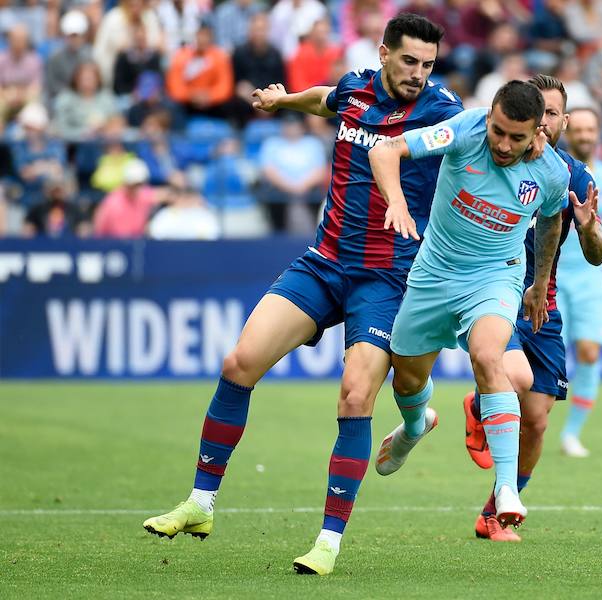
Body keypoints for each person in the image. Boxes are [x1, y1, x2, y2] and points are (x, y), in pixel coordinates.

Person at [141, 14, 464, 577]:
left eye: (427, 64)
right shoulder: (356, 85)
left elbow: (480, 139)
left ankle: (328, 542)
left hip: (387, 277)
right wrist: (284, 99)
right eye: (409, 61)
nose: (418, 73)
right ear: (385, 52)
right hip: (325, 261)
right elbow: (326, 101)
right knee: (239, 362)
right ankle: (201, 503)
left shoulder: (441, 110)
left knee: (355, 397)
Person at [368, 80, 569, 536]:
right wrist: (397, 204)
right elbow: (385, 151)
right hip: (434, 274)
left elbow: (553, 218)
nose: (503, 144)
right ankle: (415, 426)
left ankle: (505, 489)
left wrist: (538, 283)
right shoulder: (466, 129)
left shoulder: (551, 172)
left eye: (516, 138)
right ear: (490, 117)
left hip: (495, 277)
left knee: (488, 355)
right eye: (498, 131)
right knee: (407, 378)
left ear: (537, 131)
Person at [461, 75, 602, 542]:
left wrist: (587, 229)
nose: (542, 121)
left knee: (539, 419)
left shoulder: (573, 176)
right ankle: (484, 399)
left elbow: (598, 255)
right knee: (515, 378)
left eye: (550, 113)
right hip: (492, 290)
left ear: (561, 120)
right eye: (536, 111)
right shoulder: (493, 158)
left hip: (541, 303)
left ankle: (496, 509)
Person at [553, 107, 602, 457]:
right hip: (553, 273)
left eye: (590, 130)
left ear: (599, 133)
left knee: (589, 351)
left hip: (590, 276)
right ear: (569, 130)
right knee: (551, 358)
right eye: (579, 129)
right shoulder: (556, 169)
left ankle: (571, 434)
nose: (584, 136)